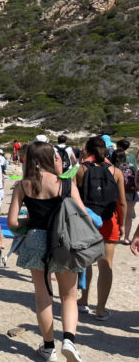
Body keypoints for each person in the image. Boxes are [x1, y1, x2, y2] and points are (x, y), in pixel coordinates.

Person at [7, 141, 86, 362]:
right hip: (63, 241)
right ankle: (69, 341)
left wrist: (31, 222)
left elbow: (12, 223)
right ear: (52, 158)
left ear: (29, 159)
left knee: (43, 298)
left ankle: (49, 347)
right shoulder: (66, 183)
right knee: (69, 296)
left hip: (36, 241)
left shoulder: (23, 185)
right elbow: (82, 214)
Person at [77, 136, 126, 320]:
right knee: (106, 265)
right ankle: (101, 309)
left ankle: (83, 300)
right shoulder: (116, 172)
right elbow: (122, 203)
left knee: (86, 262)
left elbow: (73, 199)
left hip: (87, 221)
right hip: (109, 221)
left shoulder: (80, 170)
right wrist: (121, 225)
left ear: (87, 150)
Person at [110, 149, 136, 245]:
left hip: (117, 194)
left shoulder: (112, 168)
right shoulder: (132, 166)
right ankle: (126, 238)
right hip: (131, 193)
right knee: (128, 216)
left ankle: (116, 235)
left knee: (116, 215)